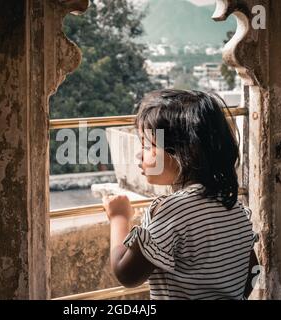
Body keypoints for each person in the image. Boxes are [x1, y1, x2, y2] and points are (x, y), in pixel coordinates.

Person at [103, 89, 258, 300]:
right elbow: (252, 272)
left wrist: (119, 217)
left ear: (185, 152)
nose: (139, 154)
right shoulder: (233, 207)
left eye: (148, 145)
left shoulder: (172, 210)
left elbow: (127, 274)